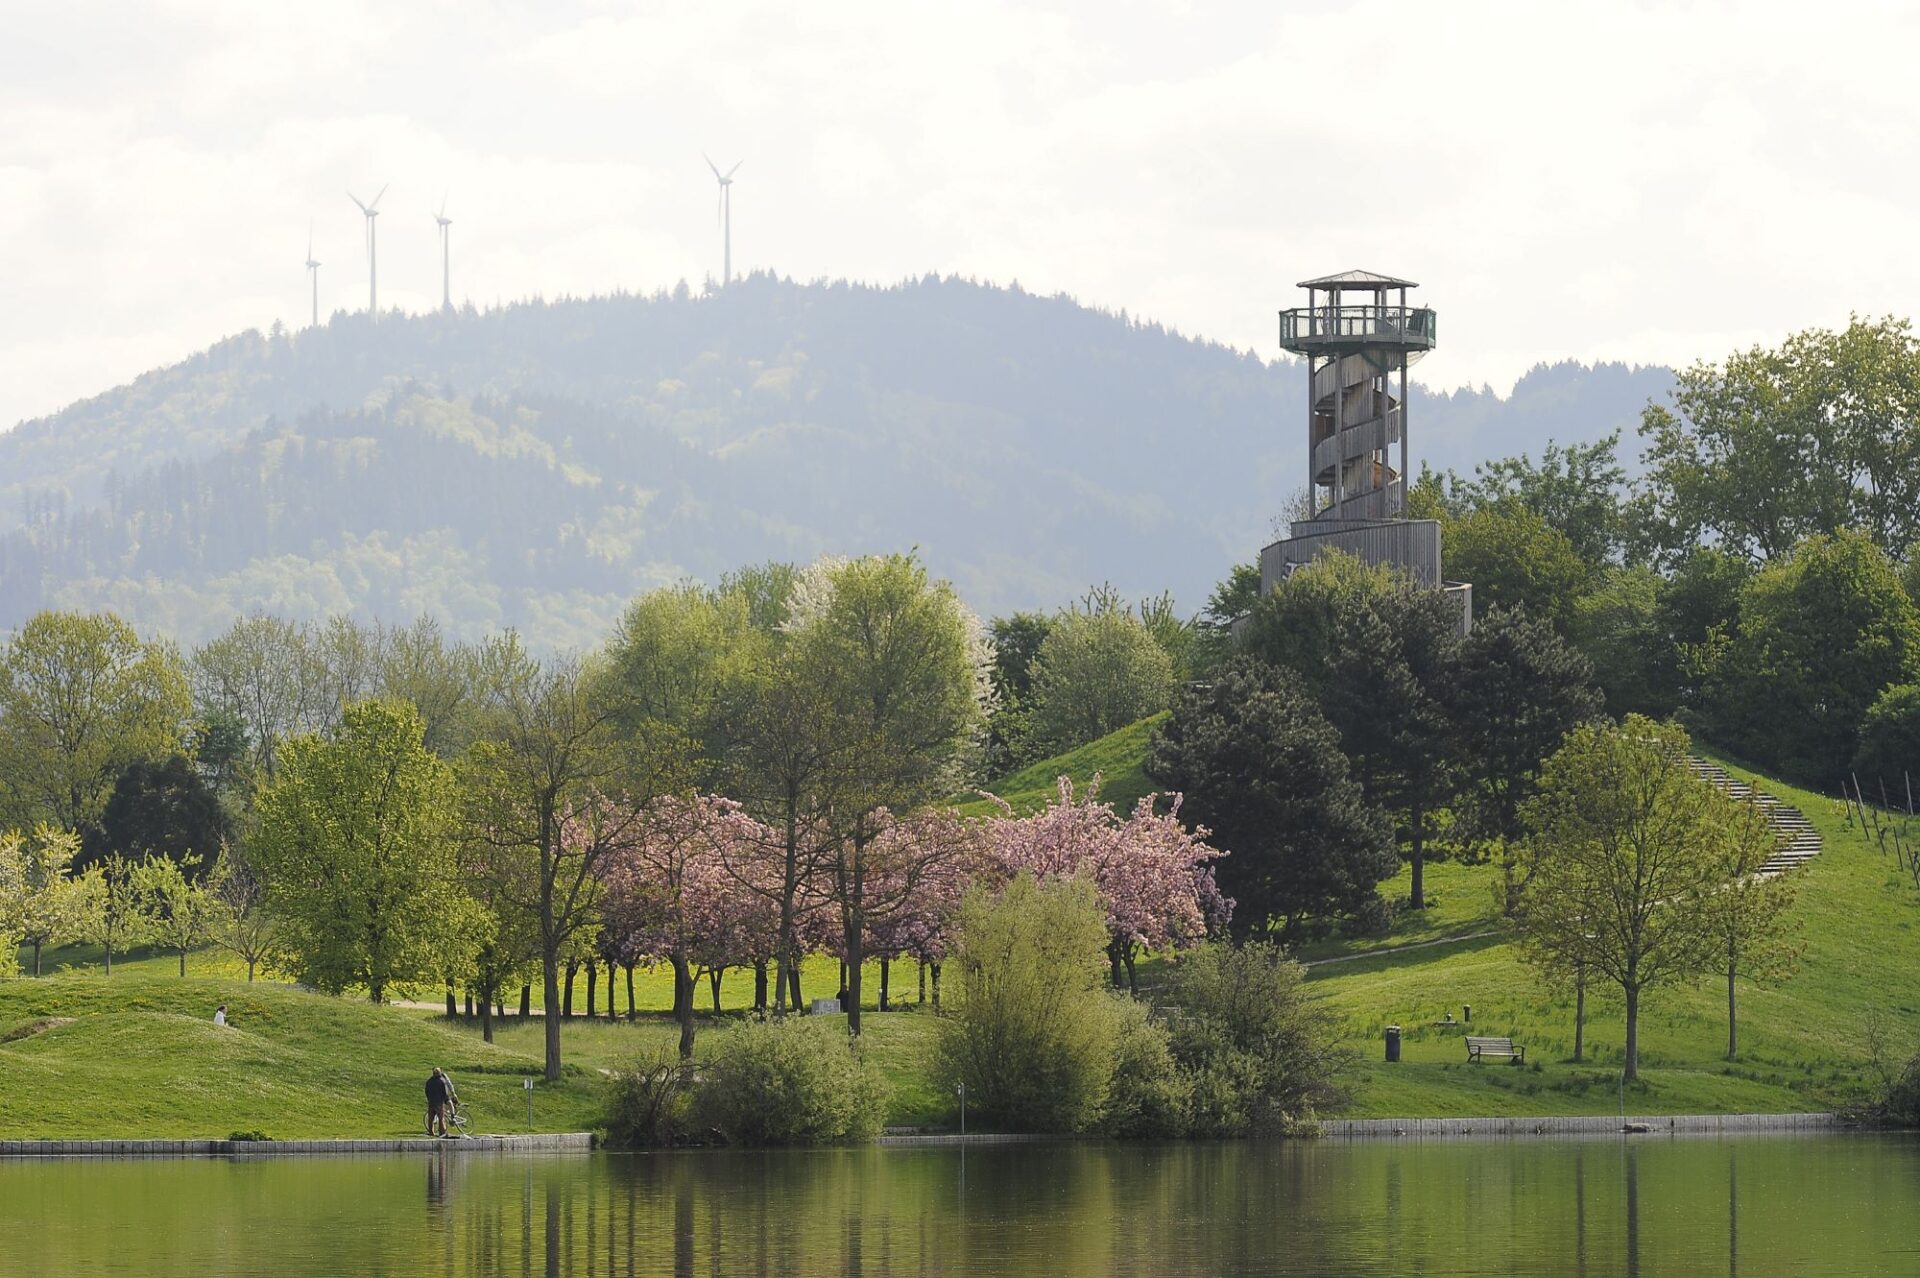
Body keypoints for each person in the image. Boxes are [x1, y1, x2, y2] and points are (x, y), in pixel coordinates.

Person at [426, 1067, 458, 1137]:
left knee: (430, 1119)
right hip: (439, 1102)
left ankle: (431, 1133)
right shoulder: (442, 1081)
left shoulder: (429, 1081)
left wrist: (429, 1099)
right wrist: (445, 1099)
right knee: (441, 1118)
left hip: (431, 1102)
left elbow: (426, 1091)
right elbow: (445, 1092)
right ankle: (442, 1133)